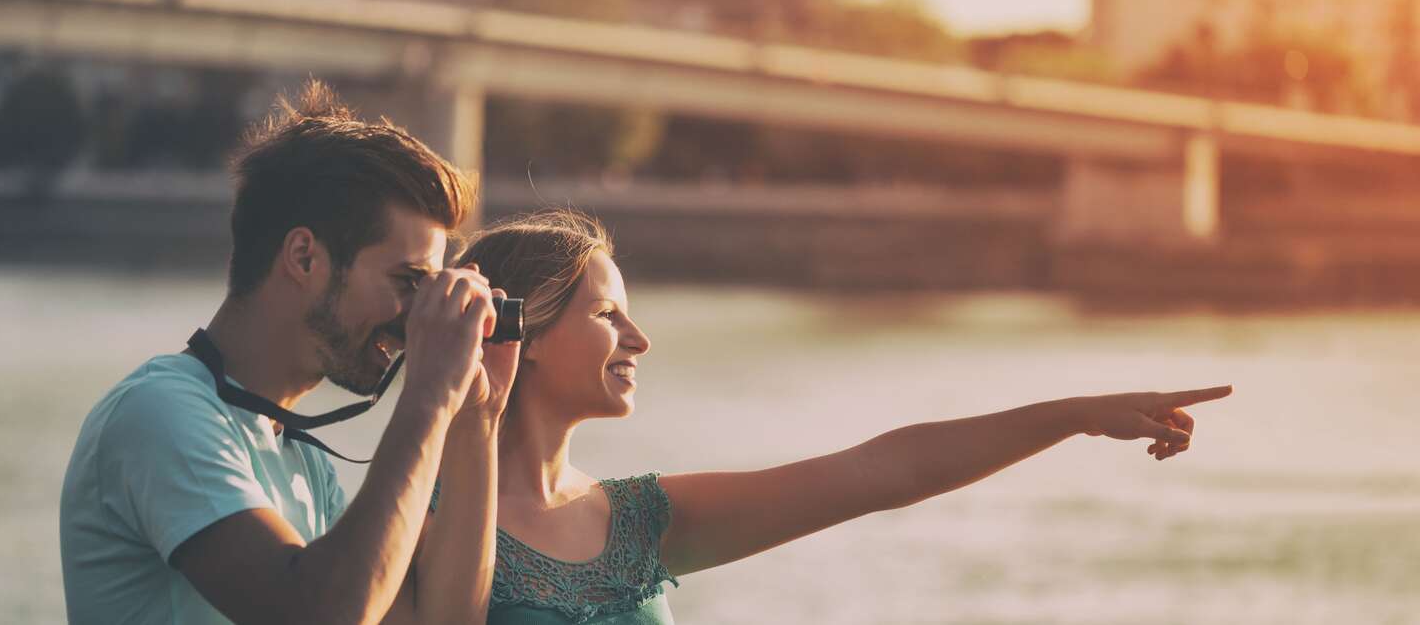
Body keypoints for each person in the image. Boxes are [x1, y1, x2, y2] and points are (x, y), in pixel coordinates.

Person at [428, 210, 1235, 624]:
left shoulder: (643, 520)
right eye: (608, 315)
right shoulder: (420, 528)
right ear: (521, 330)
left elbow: (885, 471)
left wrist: (1076, 415)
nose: (640, 338)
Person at [60, 81, 517, 625]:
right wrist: (429, 394)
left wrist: (477, 420)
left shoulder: (300, 458)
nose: (414, 316)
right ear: (304, 257)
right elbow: (319, 614)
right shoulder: (161, 413)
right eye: (408, 281)